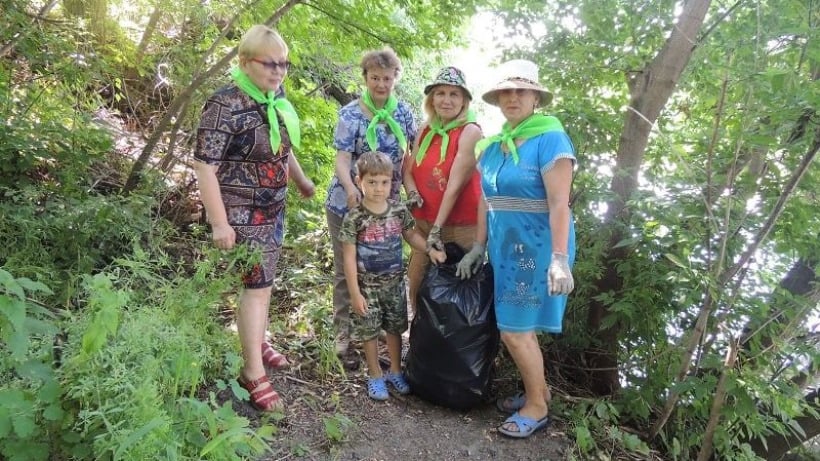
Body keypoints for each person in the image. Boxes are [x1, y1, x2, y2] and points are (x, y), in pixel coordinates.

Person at [193, 25, 315, 412]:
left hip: (273, 207)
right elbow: (204, 166)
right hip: (242, 211)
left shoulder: (273, 96)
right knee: (257, 287)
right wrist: (218, 223)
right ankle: (252, 371)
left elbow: (280, 144)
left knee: (262, 283)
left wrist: (301, 180)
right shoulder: (224, 103)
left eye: (284, 64)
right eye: (270, 64)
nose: (279, 71)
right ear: (245, 63)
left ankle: (255, 337)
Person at [456, 59, 576, 438]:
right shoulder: (494, 145)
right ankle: (538, 389)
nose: (512, 97)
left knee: (514, 331)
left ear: (535, 96)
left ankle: (537, 407)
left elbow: (560, 204)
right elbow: (484, 200)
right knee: (519, 328)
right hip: (504, 249)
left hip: (539, 248)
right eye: (506, 91)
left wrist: (559, 259)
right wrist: (478, 246)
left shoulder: (551, 138)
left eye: (520, 90)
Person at [325, 48, 418, 356]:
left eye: (387, 78)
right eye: (375, 77)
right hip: (347, 202)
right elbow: (341, 160)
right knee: (346, 269)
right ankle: (344, 333)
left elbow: (410, 157)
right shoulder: (350, 113)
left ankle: (374, 326)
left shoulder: (403, 113)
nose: (381, 84)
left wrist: (409, 189)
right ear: (365, 78)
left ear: (395, 79)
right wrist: (352, 189)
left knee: (379, 267)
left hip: (385, 205)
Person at [338, 151, 445, 400]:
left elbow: (411, 235)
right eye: (372, 182)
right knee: (369, 332)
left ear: (392, 182)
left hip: (395, 283)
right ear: (359, 181)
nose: (378, 189)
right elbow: (348, 258)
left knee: (395, 328)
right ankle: (375, 374)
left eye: (384, 182)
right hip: (367, 287)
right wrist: (354, 293)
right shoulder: (355, 217)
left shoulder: (397, 210)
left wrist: (429, 249)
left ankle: (395, 371)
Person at [403, 66, 482, 313]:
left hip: (460, 228)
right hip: (424, 225)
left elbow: (455, 185)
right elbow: (408, 169)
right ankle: (420, 345)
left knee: (458, 295)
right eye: (440, 93)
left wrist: (437, 228)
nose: (446, 100)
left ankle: (459, 350)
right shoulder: (425, 130)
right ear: (431, 99)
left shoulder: (470, 131)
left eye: (454, 94)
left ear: (464, 101)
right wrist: (413, 193)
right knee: (416, 284)